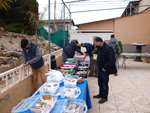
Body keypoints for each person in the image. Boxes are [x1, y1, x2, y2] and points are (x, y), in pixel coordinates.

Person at [93, 37, 117, 104]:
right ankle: (100, 94)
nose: (95, 45)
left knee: (104, 84)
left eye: (96, 43)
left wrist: (105, 67)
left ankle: (105, 97)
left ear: (99, 42)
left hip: (104, 69)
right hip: (100, 69)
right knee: (100, 83)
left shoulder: (108, 48)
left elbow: (112, 60)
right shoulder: (100, 48)